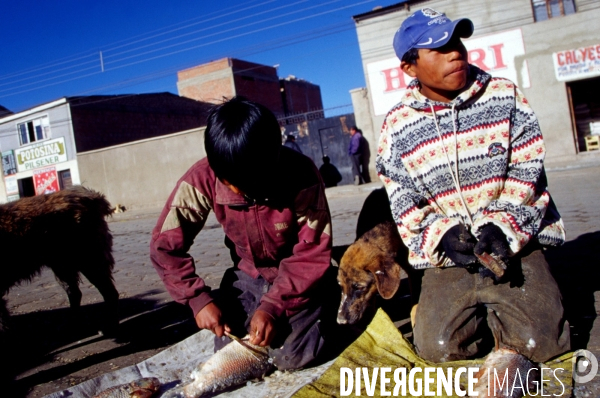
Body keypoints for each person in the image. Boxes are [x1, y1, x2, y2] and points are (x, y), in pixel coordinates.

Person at [376, 8, 570, 366]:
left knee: (542, 343)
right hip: (450, 254)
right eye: (439, 48)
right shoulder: (397, 126)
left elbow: (528, 171)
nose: (456, 53)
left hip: (512, 244)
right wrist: (441, 235)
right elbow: (401, 197)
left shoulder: (503, 97)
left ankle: (510, 312)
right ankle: (476, 312)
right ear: (409, 68)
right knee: (438, 348)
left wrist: (504, 227)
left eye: (457, 42)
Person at [150, 97, 338, 370]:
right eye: (230, 183)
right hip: (249, 275)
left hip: (300, 276)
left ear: (272, 161)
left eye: (249, 184)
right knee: (233, 351)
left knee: (292, 356)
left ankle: (330, 300)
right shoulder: (202, 178)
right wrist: (198, 300)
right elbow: (163, 247)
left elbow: (312, 253)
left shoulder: (301, 175)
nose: (238, 191)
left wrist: (273, 306)